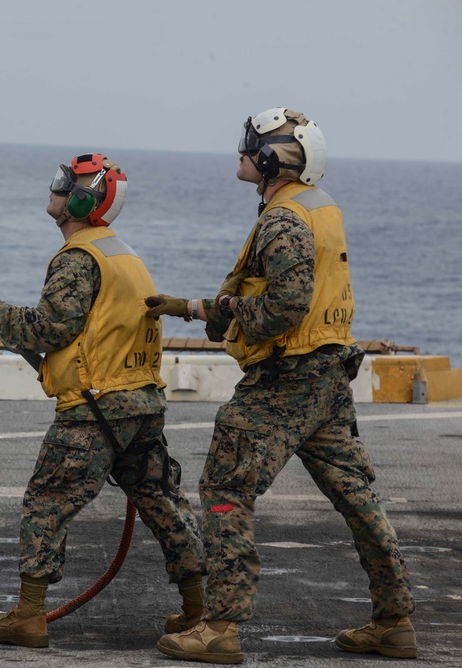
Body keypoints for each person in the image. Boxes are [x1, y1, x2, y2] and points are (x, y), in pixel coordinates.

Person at [145, 108, 416, 663]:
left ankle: (219, 627)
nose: (242, 152)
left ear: (272, 159)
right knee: (357, 499)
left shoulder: (281, 220)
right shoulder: (320, 208)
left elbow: (284, 308)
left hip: (285, 380)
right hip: (328, 375)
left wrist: (222, 307)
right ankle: (394, 619)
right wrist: (194, 308)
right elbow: (287, 296)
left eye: (251, 145)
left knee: (225, 489)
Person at [0, 153, 205, 649]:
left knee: (47, 502)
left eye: (66, 184)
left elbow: (50, 328)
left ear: (86, 198)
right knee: (162, 501)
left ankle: (28, 617)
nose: (57, 189)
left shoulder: (78, 258)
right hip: (141, 403)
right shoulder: (124, 254)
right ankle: (199, 610)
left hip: (95, 408)